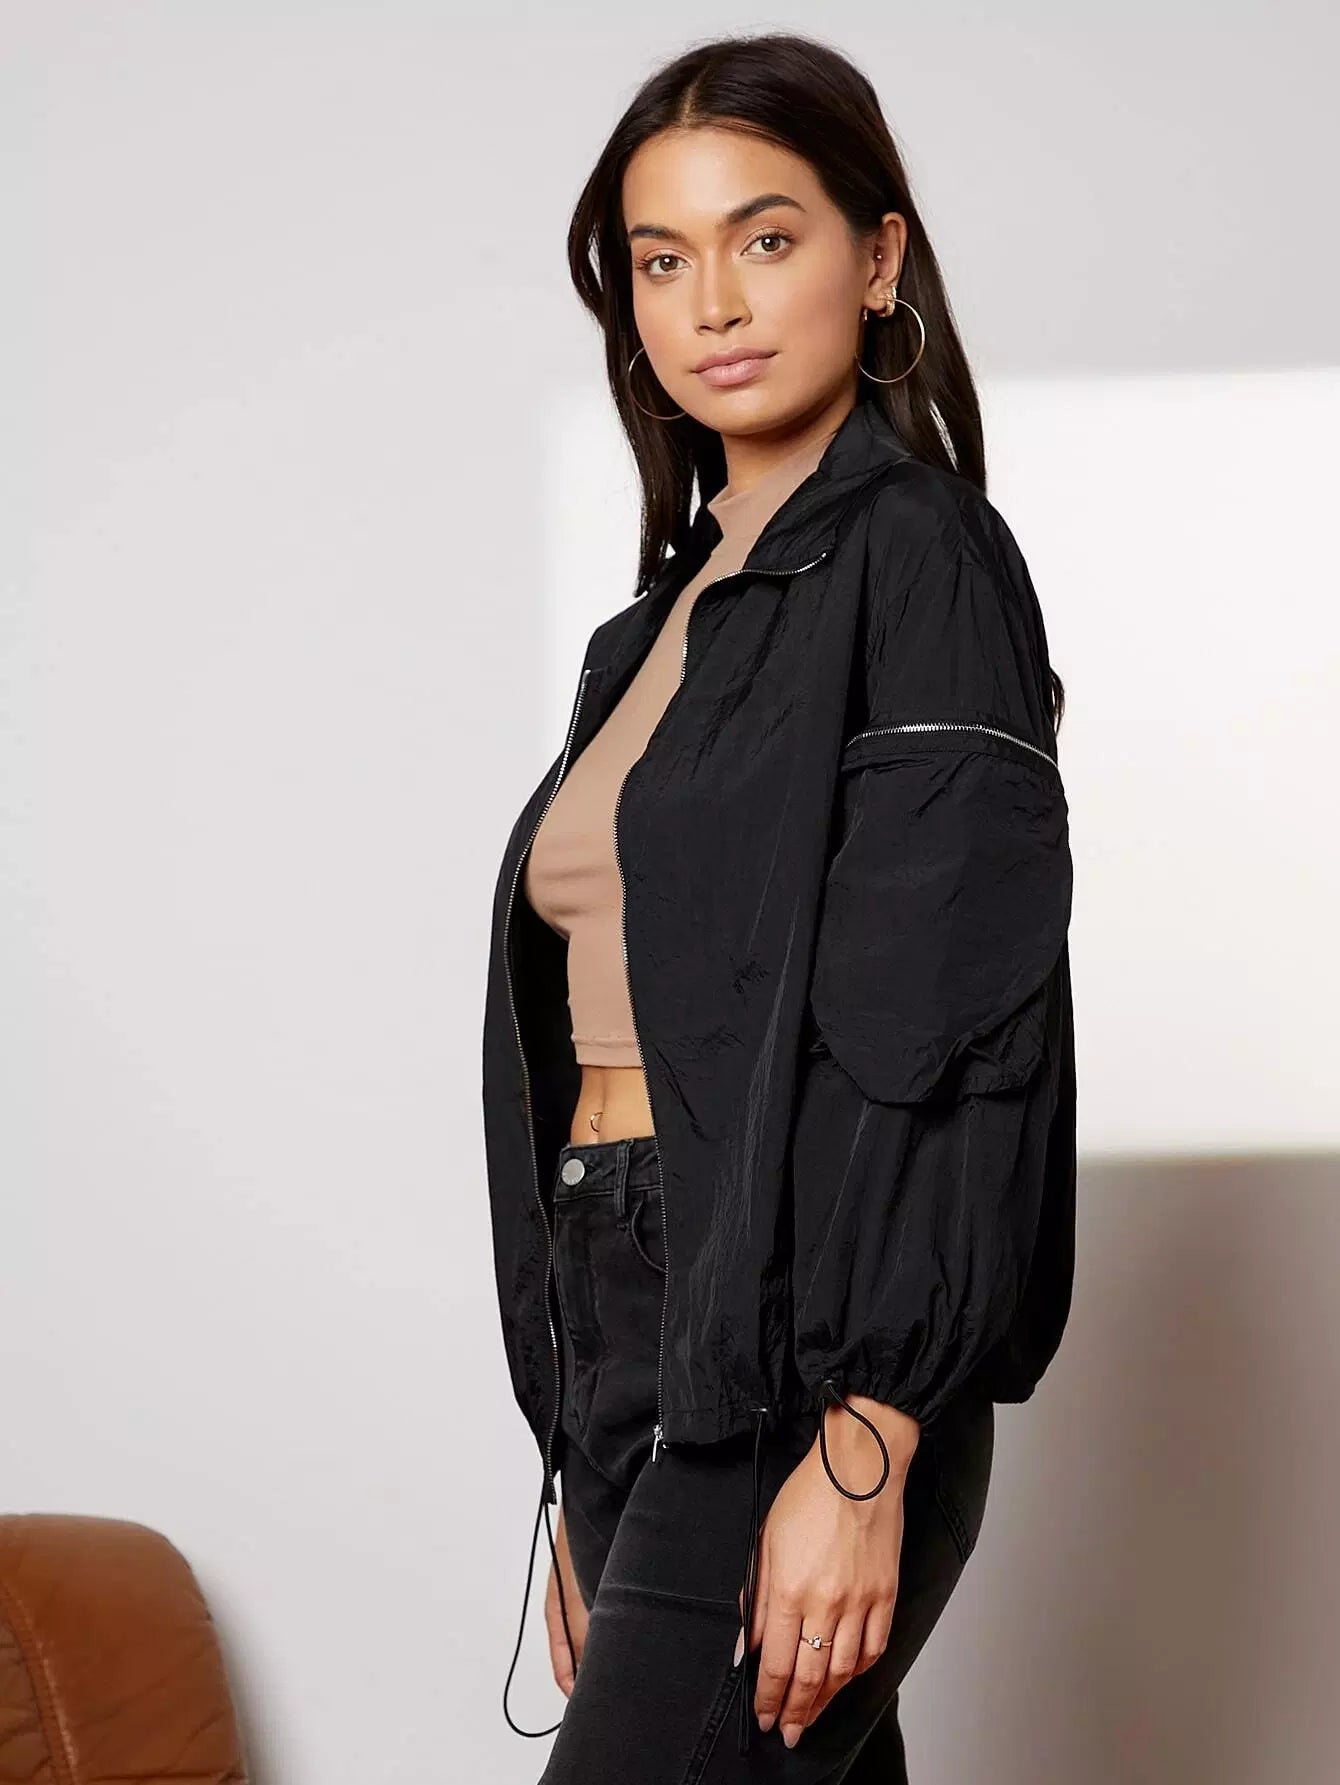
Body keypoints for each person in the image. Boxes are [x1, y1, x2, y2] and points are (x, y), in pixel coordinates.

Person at [481, 29, 1076, 1781]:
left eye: (765, 237)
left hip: (798, 1345)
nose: (713, 304)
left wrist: (868, 1436)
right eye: (662, 261)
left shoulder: (919, 555)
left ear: (877, 258)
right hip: (626, 1316)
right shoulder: (657, 622)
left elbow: (945, 1018)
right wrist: (578, 1452)